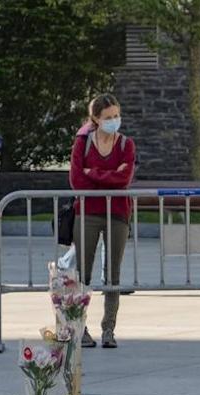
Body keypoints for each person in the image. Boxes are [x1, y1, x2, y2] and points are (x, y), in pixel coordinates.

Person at [69, 93, 135, 348]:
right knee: (82, 273)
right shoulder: (82, 143)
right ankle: (79, 327)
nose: (114, 121)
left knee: (113, 275)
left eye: (117, 116)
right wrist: (108, 174)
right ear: (95, 119)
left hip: (118, 213)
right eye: (108, 117)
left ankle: (109, 329)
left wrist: (93, 173)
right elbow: (77, 180)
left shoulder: (126, 144)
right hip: (86, 212)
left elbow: (124, 179)